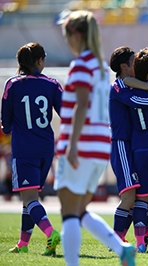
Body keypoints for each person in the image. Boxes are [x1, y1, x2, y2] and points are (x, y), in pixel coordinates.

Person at [54, 10, 135, 266]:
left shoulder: (81, 65)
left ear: (75, 36)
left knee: (68, 214)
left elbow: (81, 105)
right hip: (100, 144)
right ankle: (122, 249)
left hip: (82, 144)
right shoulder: (100, 67)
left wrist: (72, 146)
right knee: (79, 211)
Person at [1, 42, 62, 255]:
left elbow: (6, 126)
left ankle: (51, 233)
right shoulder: (53, 84)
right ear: (39, 61)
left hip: (25, 149)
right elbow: (68, 113)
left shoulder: (12, 85)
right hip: (46, 148)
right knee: (32, 197)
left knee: (28, 198)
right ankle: (23, 244)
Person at [109, 46, 148, 244]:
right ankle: (116, 241)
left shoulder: (131, 83)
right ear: (123, 66)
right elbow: (135, 101)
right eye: (133, 61)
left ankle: (142, 235)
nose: (136, 64)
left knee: (139, 196)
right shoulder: (118, 85)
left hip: (134, 145)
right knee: (129, 197)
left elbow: (135, 86)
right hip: (122, 144)